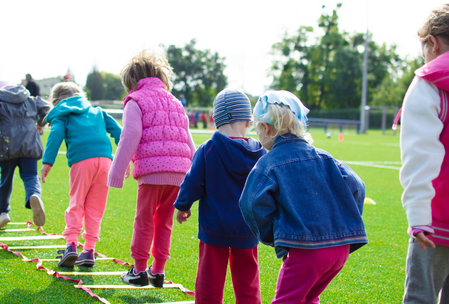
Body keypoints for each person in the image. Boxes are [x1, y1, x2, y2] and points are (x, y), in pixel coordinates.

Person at [239, 90, 368, 304]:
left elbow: (250, 204)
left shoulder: (268, 163)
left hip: (307, 251)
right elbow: (358, 186)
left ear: (266, 128)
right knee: (308, 297)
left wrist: (270, 235)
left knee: (287, 300)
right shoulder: (325, 157)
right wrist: (344, 221)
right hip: (340, 250)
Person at [107, 49, 196, 287]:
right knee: (164, 222)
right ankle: (158, 271)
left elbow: (131, 135)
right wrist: (195, 178)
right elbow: (189, 140)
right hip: (179, 173)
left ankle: (138, 271)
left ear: (132, 82)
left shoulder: (135, 100)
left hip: (152, 172)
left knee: (144, 220)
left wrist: (117, 171)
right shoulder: (176, 102)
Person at [174, 89, 266, 304]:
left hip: (213, 228)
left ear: (216, 119)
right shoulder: (261, 153)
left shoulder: (208, 149)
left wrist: (183, 205)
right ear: (247, 120)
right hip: (248, 228)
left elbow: (193, 181)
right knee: (248, 282)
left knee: (209, 281)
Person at [40, 82, 122, 268]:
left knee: (76, 202)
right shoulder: (98, 111)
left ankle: (71, 246)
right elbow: (119, 132)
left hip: (82, 161)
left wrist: (47, 162)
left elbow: (56, 134)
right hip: (106, 162)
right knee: (96, 207)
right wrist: (126, 157)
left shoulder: (62, 113)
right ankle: (89, 250)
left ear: (56, 101)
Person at [399, 5, 449, 303]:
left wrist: (419, 217)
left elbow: (420, 154)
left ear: (432, 43)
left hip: (437, 220)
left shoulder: (430, 83)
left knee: (421, 296)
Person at [0, 79, 50, 229]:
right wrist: (40, 123)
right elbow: (45, 108)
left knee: (6, 179)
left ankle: (3, 213)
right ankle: (34, 195)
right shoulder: (29, 98)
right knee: (31, 175)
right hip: (30, 142)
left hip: (7, 143)